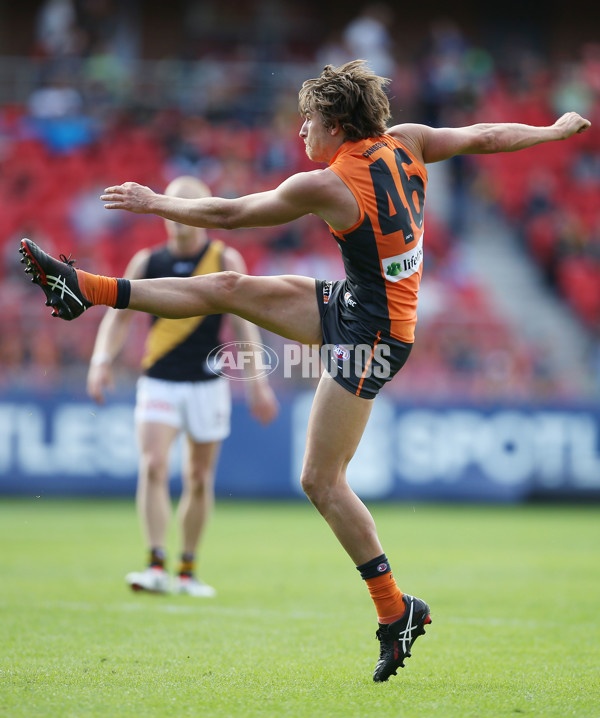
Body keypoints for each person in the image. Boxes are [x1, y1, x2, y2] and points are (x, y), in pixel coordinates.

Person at [20, 60, 591, 682]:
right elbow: (483, 136)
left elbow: (234, 216)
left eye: (310, 119)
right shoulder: (411, 141)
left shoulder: (330, 183)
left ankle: (396, 609)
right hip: (358, 306)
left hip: (372, 336)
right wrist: (551, 131)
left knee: (320, 481)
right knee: (228, 284)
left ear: (338, 123)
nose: (301, 129)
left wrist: (157, 202)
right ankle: (86, 290)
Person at [86, 175, 279, 597]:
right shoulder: (146, 262)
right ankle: (155, 563)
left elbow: (245, 322)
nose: (178, 221)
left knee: (197, 477)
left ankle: (188, 569)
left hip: (207, 385)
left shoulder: (224, 256)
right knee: (153, 465)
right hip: (158, 381)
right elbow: (118, 317)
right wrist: (102, 360)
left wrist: (257, 382)